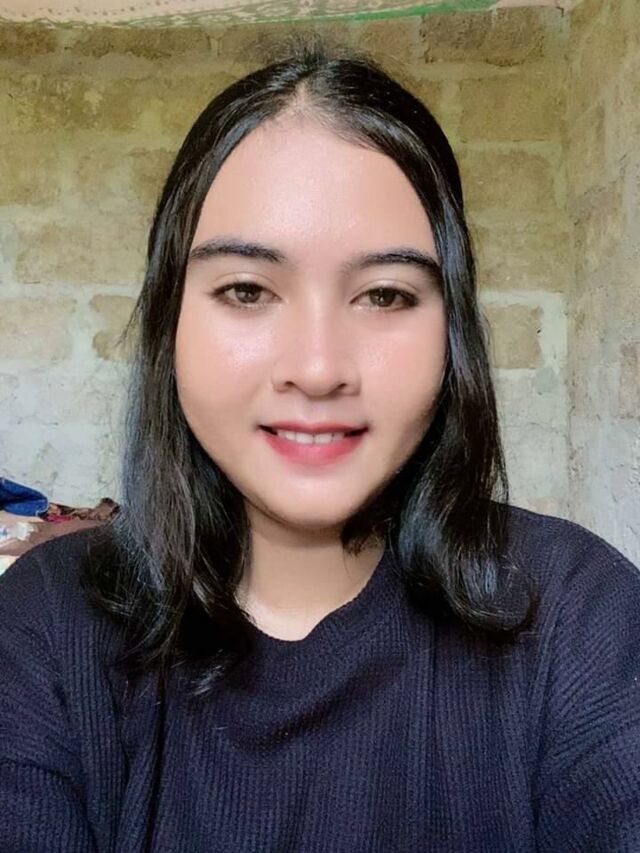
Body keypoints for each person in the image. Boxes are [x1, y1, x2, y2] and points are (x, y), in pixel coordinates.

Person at [1, 34, 639, 853]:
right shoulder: (47, 625)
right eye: (246, 289)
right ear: (169, 319)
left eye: (385, 295)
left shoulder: (578, 617)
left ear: (453, 329)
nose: (317, 367)